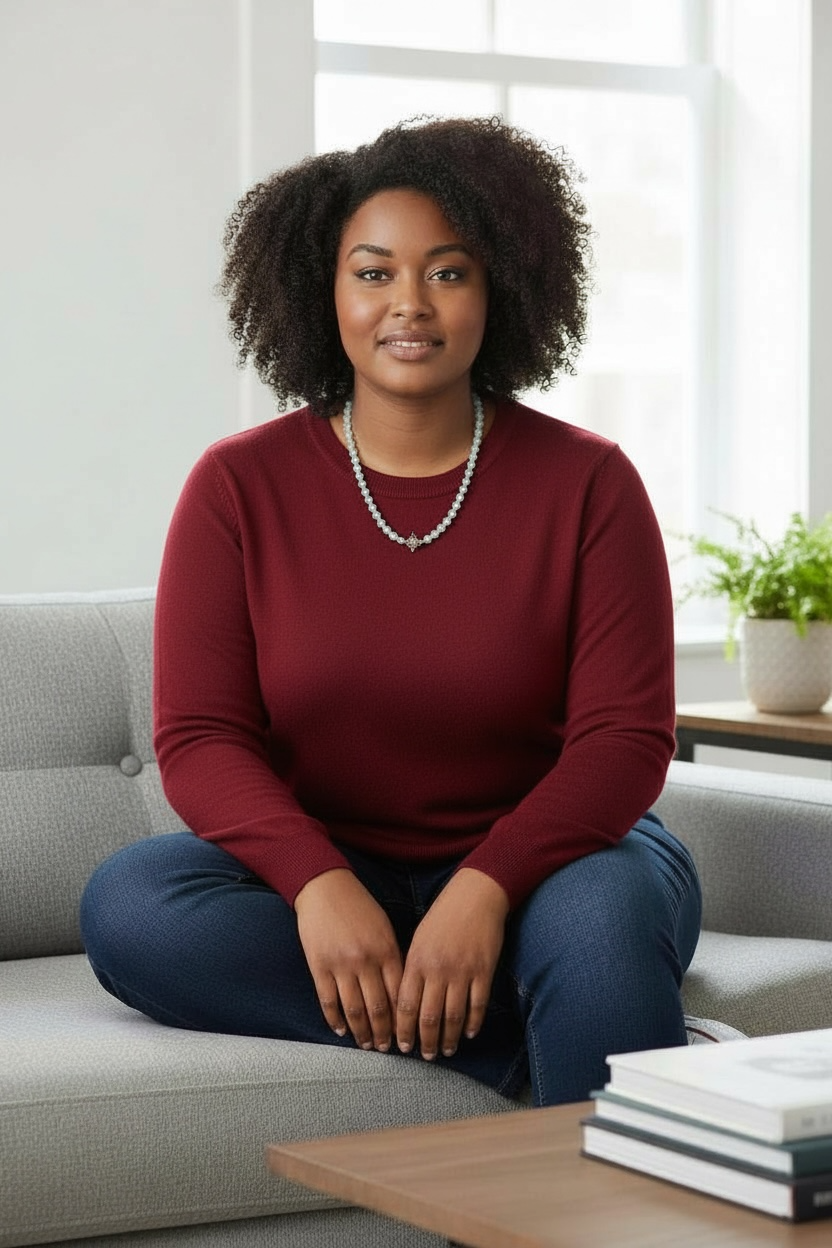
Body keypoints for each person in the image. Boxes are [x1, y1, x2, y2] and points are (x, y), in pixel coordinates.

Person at [80, 116, 702, 1107]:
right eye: (372, 273)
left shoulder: (589, 482)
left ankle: (578, 1022)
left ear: (500, 288)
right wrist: (318, 885)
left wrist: (485, 888)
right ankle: (566, 1043)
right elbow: (200, 737)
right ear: (319, 291)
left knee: (600, 928)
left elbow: (624, 741)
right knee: (133, 905)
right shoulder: (238, 486)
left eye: (448, 273)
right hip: (334, 864)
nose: (408, 304)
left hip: (559, 861)